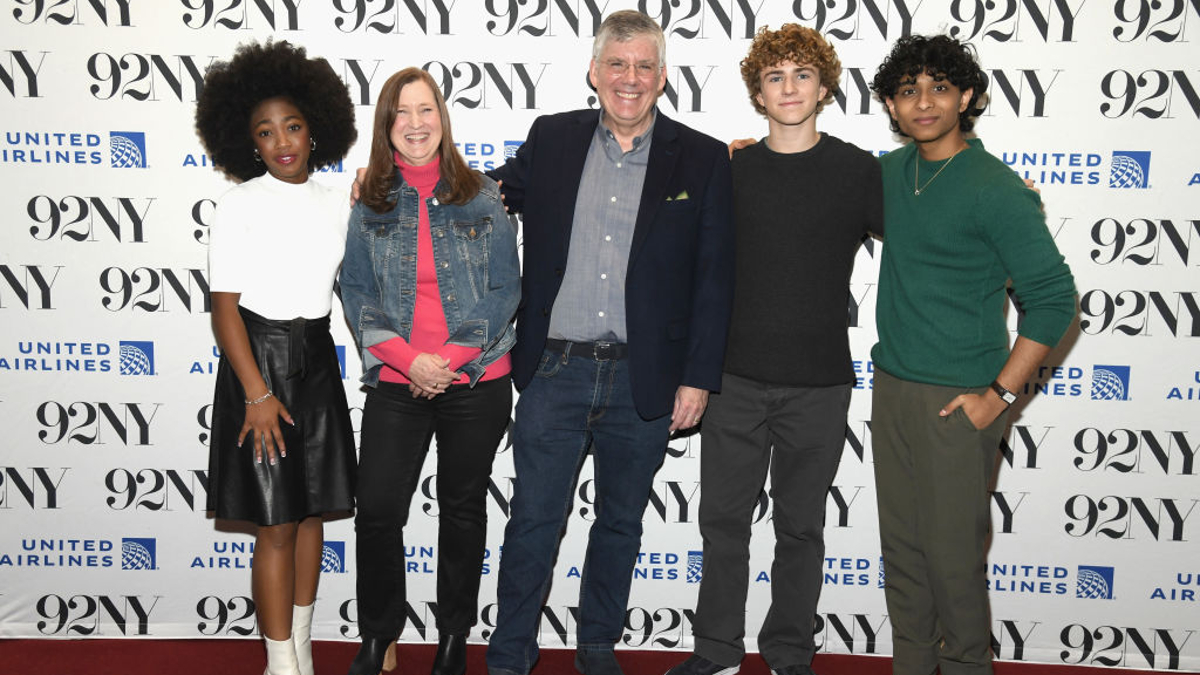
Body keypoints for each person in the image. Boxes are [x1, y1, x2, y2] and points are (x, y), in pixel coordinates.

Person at [483, 9, 735, 675]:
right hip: (555, 367)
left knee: (621, 523)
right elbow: (487, 193)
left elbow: (715, 279)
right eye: (617, 64)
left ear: (663, 76)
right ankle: (510, 653)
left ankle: (597, 644)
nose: (631, 78)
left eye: (644, 66)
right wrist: (398, 187)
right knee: (533, 520)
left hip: (644, 377)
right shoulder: (554, 138)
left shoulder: (703, 158)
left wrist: (698, 376)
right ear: (594, 73)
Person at [666, 25, 882, 675]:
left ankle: (790, 651)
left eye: (803, 75)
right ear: (758, 92)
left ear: (825, 86)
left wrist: (1007, 204)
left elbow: (928, 232)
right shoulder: (728, 169)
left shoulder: (856, 170)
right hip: (732, 379)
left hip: (819, 382)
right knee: (723, 525)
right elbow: (670, 232)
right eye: (775, 76)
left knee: (802, 530)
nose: (790, 87)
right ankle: (716, 650)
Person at [868, 35, 1076, 675]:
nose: (923, 101)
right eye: (908, 90)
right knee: (902, 553)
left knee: (952, 559)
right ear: (892, 107)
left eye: (938, 87)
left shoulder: (994, 186)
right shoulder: (887, 175)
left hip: (959, 400)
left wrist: (1000, 396)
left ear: (967, 96)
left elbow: (1054, 299)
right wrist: (744, 156)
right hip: (894, 389)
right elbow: (810, 190)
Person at [339, 67, 521, 675]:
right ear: (386, 125)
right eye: (401, 113)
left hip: (476, 379)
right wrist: (408, 359)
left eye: (426, 111)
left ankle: (452, 637)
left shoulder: (483, 195)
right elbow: (357, 291)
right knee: (380, 510)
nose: (415, 124)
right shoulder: (370, 200)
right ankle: (378, 636)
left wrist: (446, 361)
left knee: (462, 509)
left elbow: (504, 291)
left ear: (442, 118)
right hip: (398, 378)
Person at [197, 40, 358, 675]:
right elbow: (224, 309)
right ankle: (279, 664)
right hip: (256, 362)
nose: (281, 140)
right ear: (249, 144)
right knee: (276, 525)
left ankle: (302, 648)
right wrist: (257, 395)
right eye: (265, 132)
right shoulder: (239, 205)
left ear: (315, 128)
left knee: (313, 511)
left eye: (292, 125)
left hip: (316, 359)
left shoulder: (335, 202)